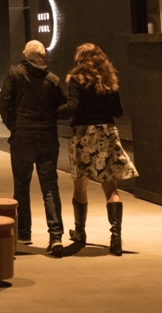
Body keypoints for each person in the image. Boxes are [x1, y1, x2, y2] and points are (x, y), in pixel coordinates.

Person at [60, 43, 138, 256]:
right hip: (106, 133)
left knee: (80, 186)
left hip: (84, 134)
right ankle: (116, 238)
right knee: (110, 188)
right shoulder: (109, 81)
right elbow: (119, 112)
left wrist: (49, 111)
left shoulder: (77, 79)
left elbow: (71, 108)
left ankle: (80, 232)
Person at [0, 39, 66, 255]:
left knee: (21, 186)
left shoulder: (14, 74)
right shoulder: (53, 80)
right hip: (47, 138)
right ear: (43, 56)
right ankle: (55, 237)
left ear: (24, 54)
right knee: (49, 187)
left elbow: (3, 102)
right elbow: (63, 107)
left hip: (22, 138)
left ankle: (24, 234)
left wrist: (13, 125)